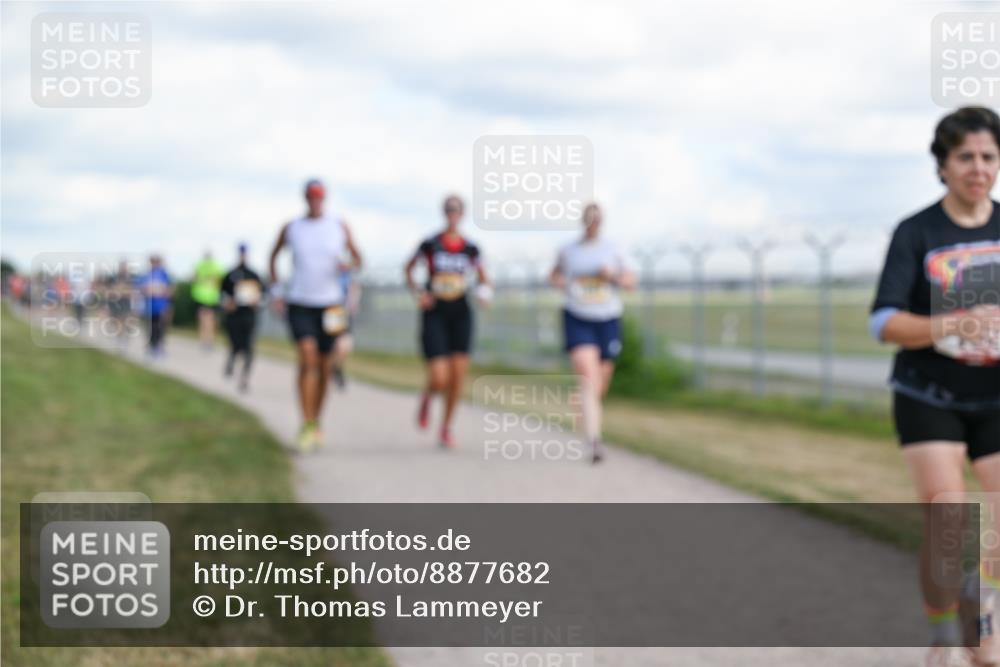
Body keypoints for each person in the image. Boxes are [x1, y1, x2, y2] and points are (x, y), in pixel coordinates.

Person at [869, 106, 1000, 667]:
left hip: (995, 397)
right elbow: (883, 323)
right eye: (965, 157)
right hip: (929, 393)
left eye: (988, 157)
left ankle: (981, 621)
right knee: (950, 520)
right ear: (942, 166)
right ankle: (948, 635)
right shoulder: (917, 231)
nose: (978, 167)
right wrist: (952, 324)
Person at [269, 179, 363, 452]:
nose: (315, 200)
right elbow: (273, 257)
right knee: (306, 358)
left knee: (325, 367)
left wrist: (349, 264)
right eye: (311, 196)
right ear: (305, 198)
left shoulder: (338, 226)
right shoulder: (292, 228)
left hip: (331, 306)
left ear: (326, 198)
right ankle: (306, 422)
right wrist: (276, 291)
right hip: (300, 302)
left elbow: (358, 258)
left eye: (319, 196)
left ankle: (316, 421)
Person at [549, 203, 636, 464]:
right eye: (590, 219)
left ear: (602, 221)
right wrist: (561, 282)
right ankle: (594, 442)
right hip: (577, 316)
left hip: (607, 318)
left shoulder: (614, 248)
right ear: (584, 221)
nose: (593, 223)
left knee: (601, 381)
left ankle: (584, 405)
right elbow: (554, 275)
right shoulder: (569, 250)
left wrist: (612, 277)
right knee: (588, 375)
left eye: (597, 219)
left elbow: (631, 282)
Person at [405, 194, 491, 449]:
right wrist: (419, 293)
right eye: (449, 209)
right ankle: (427, 397)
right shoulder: (430, 244)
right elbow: (408, 269)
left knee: (457, 376)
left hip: (461, 313)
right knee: (440, 376)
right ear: (444, 213)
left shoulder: (471, 248)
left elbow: (484, 278)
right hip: (435, 313)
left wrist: (485, 293)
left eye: (457, 210)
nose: (453, 214)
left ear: (462, 214)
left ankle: (446, 427)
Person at [220, 243, 265, 392]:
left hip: (249, 315)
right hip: (233, 316)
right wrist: (227, 303)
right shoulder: (230, 274)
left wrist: (257, 302)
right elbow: (221, 294)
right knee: (235, 344)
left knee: (248, 348)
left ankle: (244, 379)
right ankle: (231, 361)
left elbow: (263, 295)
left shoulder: (254, 275)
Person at [331, 259, 361, 391]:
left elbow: (355, 293)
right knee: (334, 345)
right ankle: (332, 371)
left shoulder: (351, 278)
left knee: (345, 346)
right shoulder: (332, 275)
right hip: (333, 312)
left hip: (346, 314)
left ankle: (336, 369)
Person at [135, 254, 173, 359]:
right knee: (152, 327)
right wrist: (148, 290)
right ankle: (152, 346)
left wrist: (166, 295)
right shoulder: (145, 275)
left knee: (161, 327)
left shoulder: (164, 274)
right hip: (149, 305)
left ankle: (159, 345)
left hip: (162, 305)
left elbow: (170, 289)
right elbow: (140, 288)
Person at [191, 250, 225, 350]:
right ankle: (208, 341)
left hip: (201, 296)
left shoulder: (199, 265)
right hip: (211, 297)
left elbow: (194, 278)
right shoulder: (216, 266)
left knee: (204, 320)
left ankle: (204, 340)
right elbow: (220, 280)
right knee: (210, 320)